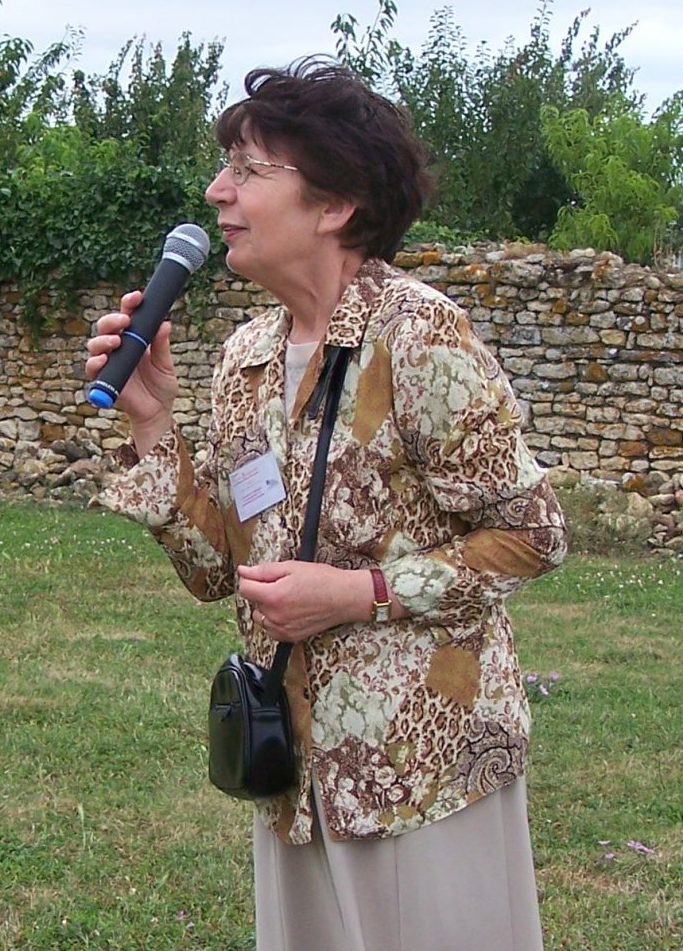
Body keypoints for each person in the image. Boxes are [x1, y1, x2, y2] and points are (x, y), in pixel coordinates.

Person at [86, 56, 567, 951]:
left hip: (421, 761)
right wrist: (154, 430)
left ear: (335, 204)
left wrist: (357, 593)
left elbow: (532, 534)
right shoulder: (244, 359)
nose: (216, 189)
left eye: (247, 169)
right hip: (293, 767)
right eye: (224, 165)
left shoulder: (416, 335)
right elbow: (217, 572)